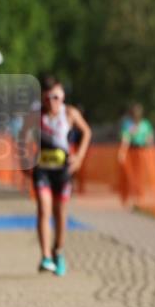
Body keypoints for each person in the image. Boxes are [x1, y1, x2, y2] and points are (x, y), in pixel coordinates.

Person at [29, 78, 92, 276]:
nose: (52, 101)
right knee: (43, 210)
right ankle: (46, 257)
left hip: (63, 172)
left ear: (62, 96)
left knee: (60, 214)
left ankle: (58, 252)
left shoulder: (70, 113)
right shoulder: (35, 116)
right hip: (42, 170)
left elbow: (87, 132)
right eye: (48, 98)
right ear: (42, 98)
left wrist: (80, 156)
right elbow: (20, 137)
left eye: (56, 97)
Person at [117, 103, 154, 206]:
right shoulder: (128, 124)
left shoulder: (145, 124)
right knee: (129, 175)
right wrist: (122, 152)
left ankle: (139, 198)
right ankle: (128, 198)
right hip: (131, 151)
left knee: (140, 175)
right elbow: (126, 139)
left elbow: (149, 137)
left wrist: (149, 150)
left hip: (141, 151)